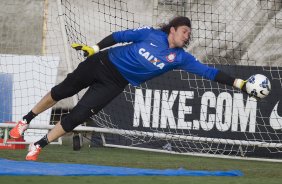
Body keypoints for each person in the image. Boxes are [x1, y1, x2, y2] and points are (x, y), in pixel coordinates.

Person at [10, 16, 248, 161]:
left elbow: (210, 73)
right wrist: (95, 47)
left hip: (115, 83)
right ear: (173, 29)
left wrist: (241, 84)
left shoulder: (180, 58)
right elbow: (120, 35)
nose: (187, 36)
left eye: (189, 34)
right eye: (184, 31)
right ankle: (26, 119)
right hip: (101, 62)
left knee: (78, 115)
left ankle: (38, 145)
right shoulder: (150, 34)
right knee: (63, 91)